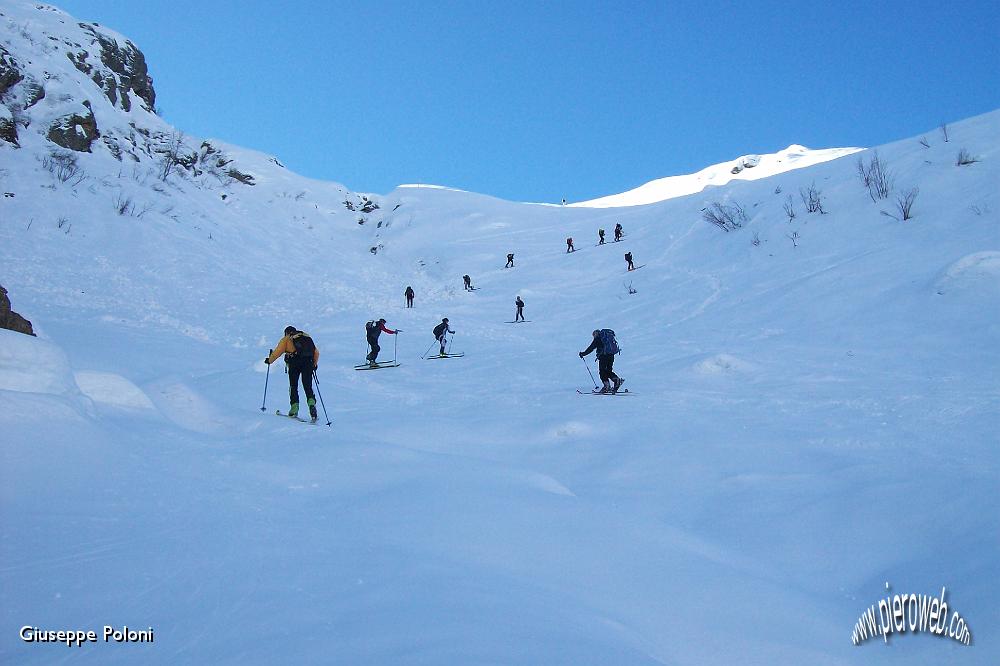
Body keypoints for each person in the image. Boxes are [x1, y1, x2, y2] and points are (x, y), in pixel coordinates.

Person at [265, 326, 320, 420]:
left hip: (294, 363)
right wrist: (314, 364)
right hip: (308, 362)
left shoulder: (286, 339)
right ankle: (312, 405)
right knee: (307, 386)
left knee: (293, 386)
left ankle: (294, 409)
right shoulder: (306, 336)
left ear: (286, 332)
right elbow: (316, 352)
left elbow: (277, 352)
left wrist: (270, 360)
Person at [579, 329, 623, 394]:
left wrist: (583, 354)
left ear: (595, 334)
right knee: (608, 371)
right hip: (611, 355)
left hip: (603, 356)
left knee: (602, 371)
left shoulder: (598, 339)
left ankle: (606, 386)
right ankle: (616, 379)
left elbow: (591, 348)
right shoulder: (606, 339)